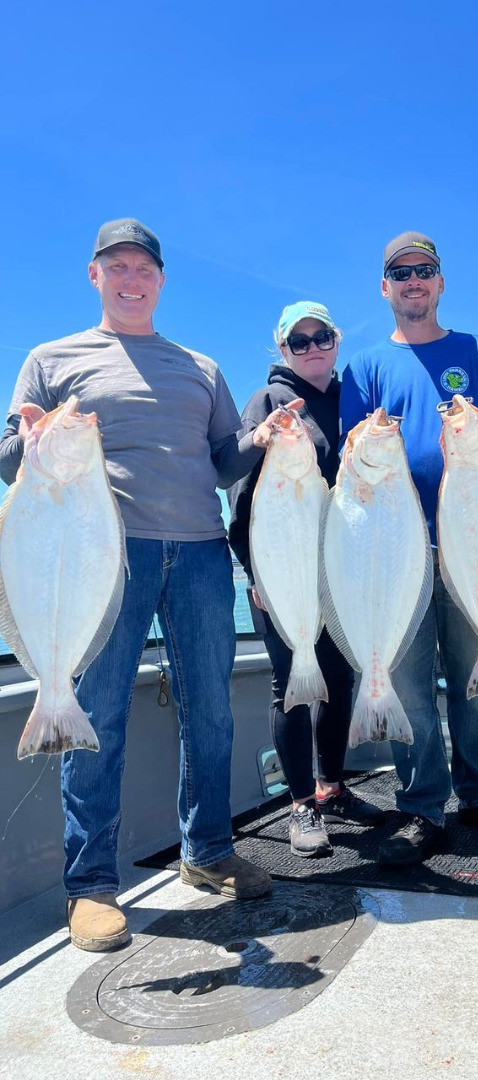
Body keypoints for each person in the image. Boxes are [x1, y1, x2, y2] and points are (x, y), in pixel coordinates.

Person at [0, 218, 271, 952]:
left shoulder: (200, 367)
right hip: (98, 560)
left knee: (211, 711)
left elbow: (222, 460)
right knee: (99, 715)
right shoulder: (51, 359)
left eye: (142, 267)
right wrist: (22, 439)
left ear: (159, 279)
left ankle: (208, 851)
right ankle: (90, 887)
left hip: (203, 555)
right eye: (115, 265)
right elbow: (8, 459)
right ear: (94, 275)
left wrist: (263, 440)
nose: (130, 277)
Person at [339, 231, 478, 866]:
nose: (413, 282)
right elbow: (352, 460)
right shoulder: (365, 367)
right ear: (385, 288)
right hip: (393, 551)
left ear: (440, 282)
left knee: (475, 672)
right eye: (400, 273)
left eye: (424, 271)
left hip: (474, 543)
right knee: (406, 683)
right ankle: (421, 804)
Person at [227, 301, 385, 858]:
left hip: (340, 568)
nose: (313, 347)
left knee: (338, 680)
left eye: (324, 337)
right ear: (282, 349)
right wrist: (256, 572)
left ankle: (333, 786)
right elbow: (243, 493)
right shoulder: (267, 402)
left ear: (337, 341)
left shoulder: (355, 400)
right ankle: (300, 804)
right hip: (282, 571)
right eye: (300, 341)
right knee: (291, 682)